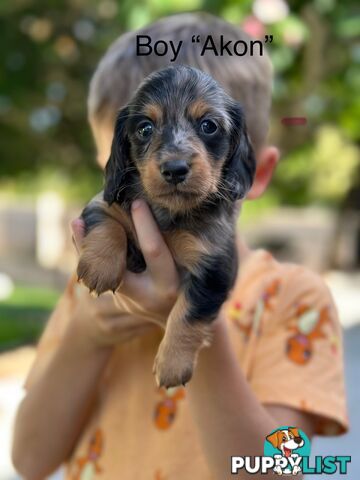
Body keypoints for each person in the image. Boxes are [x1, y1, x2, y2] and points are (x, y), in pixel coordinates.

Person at [12, 13, 348, 480]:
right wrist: (89, 333)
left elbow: (281, 466)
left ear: (250, 169)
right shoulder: (92, 283)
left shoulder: (295, 302)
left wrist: (193, 327)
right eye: (143, 136)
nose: (172, 158)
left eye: (207, 128)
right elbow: (29, 460)